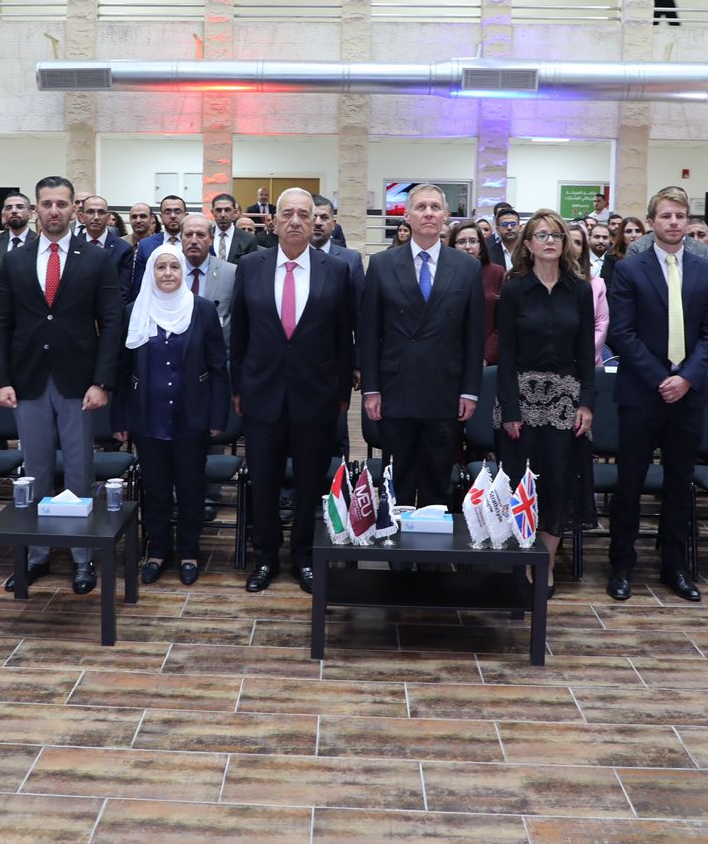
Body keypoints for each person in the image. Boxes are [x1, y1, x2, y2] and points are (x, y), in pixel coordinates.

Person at [0, 176, 124, 594]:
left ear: (74, 210)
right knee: (34, 470)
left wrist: (102, 381)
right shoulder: (15, 259)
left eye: (62, 204)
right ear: (35, 209)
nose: (54, 211)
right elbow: (0, 323)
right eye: (46, 203)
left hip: (78, 381)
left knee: (79, 470)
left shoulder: (96, 258)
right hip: (28, 379)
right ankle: (36, 555)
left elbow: (112, 322)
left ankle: (83, 557)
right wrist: (1, 380)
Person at [230, 187, 355, 593]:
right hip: (261, 393)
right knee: (264, 482)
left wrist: (342, 392)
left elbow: (344, 337)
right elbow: (239, 333)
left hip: (315, 395)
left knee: (308, 483)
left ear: (316, 220)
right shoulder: (250, 265)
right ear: (273, 220)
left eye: (305, 214)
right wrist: (237, 387)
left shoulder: (336, 269)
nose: (297, 221)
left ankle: (303, 556)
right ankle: (265, 557)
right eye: (288, 214)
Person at [604, 187, 708, 602]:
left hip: (688, 394)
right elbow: (622, 332)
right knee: (629, 483)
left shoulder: (705, 270)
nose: (674, 222)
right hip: (641, 392)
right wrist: (662, 378)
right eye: (667, 216)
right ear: (652, 221)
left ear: (688, 222)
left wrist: (686, 378)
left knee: (679, 484)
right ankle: (621, 565)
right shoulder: (629, 269)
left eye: (681, 216)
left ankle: (675, 566)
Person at [362, 184, 486, 517]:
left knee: (437, 481)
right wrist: (371, 388)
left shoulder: (466, 267)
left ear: (446, 215)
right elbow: (370, 332)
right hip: (396, 387)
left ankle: (432, 546)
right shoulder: (382, 264)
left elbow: (474, 336)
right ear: (406, 215)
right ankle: (394, 544)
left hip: (444, 389)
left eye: (434, 207)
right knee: (397, 480)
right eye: (420, 207)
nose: (428, 213)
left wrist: (470, 390)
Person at [115, 244, 230, 586]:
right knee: (156, 489)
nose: (167, 273)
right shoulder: (134, 310)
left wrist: (217, 417)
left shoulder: (202, 309)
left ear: (183, 272)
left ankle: (190, 552)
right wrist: (120, 418)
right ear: (151, 272)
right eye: (161, 267)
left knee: (192, 487)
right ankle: (157, 551)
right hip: (147, 417)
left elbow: (218, 367)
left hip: (191, 416)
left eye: (174, 267)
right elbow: (122, 370)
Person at [496, 211, 595, 594]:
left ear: (565, 243)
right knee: (522, 483)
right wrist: (509, 407)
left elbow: (586, 352)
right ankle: (522, 560)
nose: (550, 240)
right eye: (541, 235)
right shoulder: (515, 289)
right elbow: (505, 354)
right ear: (528, 244)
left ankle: (547, 563)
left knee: (558, 483)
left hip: (565, 401)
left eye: (556, 235)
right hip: (520, 399)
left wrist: (586, 402)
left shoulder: (580, 290)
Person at [450, 220, 505, 366]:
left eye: (473, 241)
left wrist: (486, 357)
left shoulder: (496, 272)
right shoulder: (443, 274)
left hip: (486, 359)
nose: (467, 247)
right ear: (453, 246)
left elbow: (503, 322)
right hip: (449, 357)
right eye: (461, 242)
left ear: (481, 246)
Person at [180, 214, 234, 344]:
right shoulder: (169, 272)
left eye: (200, 235)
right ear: (181, 238)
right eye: (188, 235)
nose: (194, 240)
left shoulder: (232, 273)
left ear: (211, 239)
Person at [564, 223, 610, 363]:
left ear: (583, 250)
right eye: (568, 241)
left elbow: (601, 326)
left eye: (578, 243)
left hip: (588, 361)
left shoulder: (597, 285)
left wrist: (582, 357)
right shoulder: (547, 282)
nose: (572, 246)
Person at [311, 194, 365, 300]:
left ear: (333, 224)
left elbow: (359, 302)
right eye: (313, 217)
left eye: (324, 217)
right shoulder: (294, 256)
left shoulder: (351, 260)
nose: (318, 223)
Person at [78, 194, 131, 273]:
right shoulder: (72, 245)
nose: (96, 217)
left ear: (108, 218)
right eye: (90, 212)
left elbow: (123, 281)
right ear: (82, 217)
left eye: (101, 212)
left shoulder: (123, 248)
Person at [0, 192, 33, 273]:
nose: (14, 211)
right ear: (4, 214)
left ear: (30, 214)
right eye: (9, 208)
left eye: (20, 207)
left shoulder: (38, 240)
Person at [211, 192, 259, 264]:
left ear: (235, 212)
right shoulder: (205, 237)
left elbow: (252, 267)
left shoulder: (248, 239)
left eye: (227, 210)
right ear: (212, 212)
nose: (223, 214)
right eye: (218, 210)